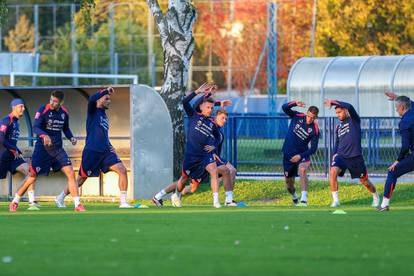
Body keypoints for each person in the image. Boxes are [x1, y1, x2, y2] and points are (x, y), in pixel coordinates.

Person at [55, 87, 133, 209]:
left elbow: (103, 134)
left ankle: (123, 202)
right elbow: (91, 99)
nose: (109, 101)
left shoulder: (104, 115)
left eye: (109, 99)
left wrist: (110, 146)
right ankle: (60, 197)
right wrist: (105, 90)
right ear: (99, 100)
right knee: (81, 179)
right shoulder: (93, 110)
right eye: (106, 98)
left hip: (106, 151)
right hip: (92, 151)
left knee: (122, 170)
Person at [153, 83, 228, 208]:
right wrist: (198, 92)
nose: (211, 110)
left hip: (204, 156)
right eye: (208, 107)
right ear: (201, 107)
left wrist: (214, 145)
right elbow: (185, 102)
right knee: (183, 180)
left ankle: (216, 202)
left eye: (212, 108)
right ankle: (174, 195)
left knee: (213, 171)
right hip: (191, 156)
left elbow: (217, 138)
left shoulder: (211, 123)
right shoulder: (194, 115)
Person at [9, 90, 85, 212]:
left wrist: (71, 138)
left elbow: (65, 128)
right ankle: (15, 201)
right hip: (42, 150)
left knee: (71, 173)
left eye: (55, 101)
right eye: (51, 100)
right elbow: (35, 127)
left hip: (57, 149)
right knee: (32, 176)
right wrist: (44, 135)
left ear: (61, 102)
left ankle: (77, 204)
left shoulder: (64, 112)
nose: (52, 103)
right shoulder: (43, 109)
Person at [324, 99, 379, 207]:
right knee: (333, 172)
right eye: (336, 113)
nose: (338, 115)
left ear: (346, 111)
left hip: (355, 156)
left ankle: (375, 195)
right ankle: (335, 201)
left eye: (339, 112)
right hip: (341, 156)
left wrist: (334, 102)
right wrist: (335, 153)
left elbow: (349, 105)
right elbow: (338, 141)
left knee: (365, 181)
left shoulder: (354, 120)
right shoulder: (338, 127)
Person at [1, 99, 40, 210]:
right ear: (14, 107)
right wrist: (14, 150)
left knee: (31, 172)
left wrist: (17, 151)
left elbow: (11, 141)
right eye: (21, 106)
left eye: (23, 107)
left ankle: (30, 202)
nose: (23, 109)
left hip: (13, 156)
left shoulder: (16, 123)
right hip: (2, 155)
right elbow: (1, 139)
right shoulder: (6, 120)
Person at [378, 93, 414, 211]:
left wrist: (397, 160)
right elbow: (410, 103)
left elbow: (405, 146)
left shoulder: (404, 122)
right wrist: (398, 98)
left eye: (396, 107)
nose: (396, 109)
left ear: (402, 108)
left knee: (392, 172)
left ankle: (384, 205)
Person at [281, 100, 319, 206]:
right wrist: (294, 103)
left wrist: (300, 156)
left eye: (312, 117)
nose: (310, 119)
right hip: (288, 154)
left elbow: (313, 149)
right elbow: (284, 108)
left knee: (302, 169)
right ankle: (294, 197)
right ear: (307, 113)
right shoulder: (297, 116)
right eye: (309, 116)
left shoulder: (314, 129)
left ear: (315, 117)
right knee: (289, 184)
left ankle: (304, 200)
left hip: (301, 155)